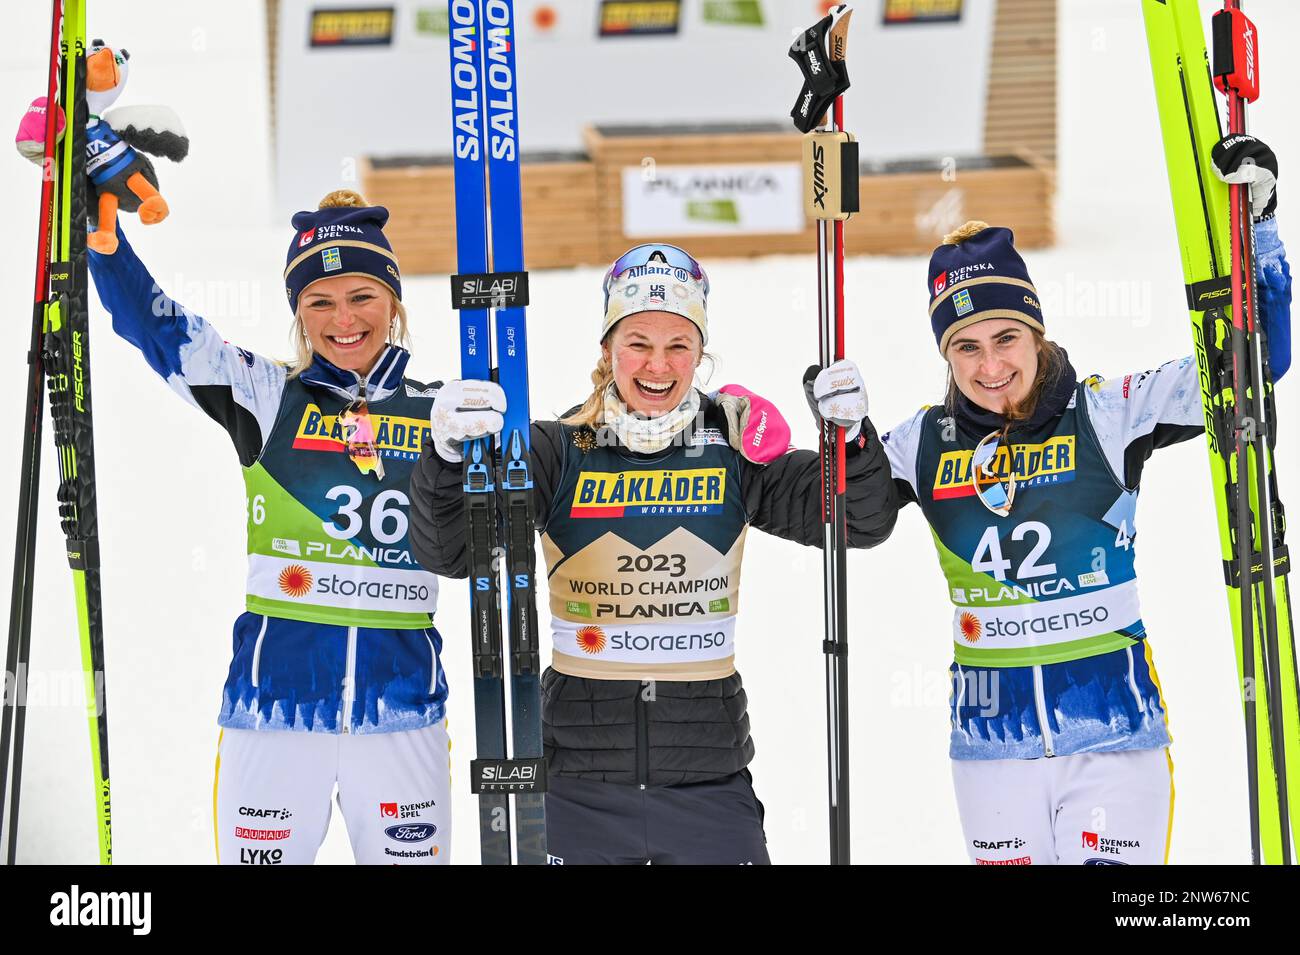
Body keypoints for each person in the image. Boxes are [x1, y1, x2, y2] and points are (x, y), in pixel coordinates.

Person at [409, 243, 898, 864]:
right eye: (638, 342)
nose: (657, 365)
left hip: (709, 785)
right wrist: (449, 458)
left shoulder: (735, 448)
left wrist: (850, 440)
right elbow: (454, 553)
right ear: (608, 348)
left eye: (678, 345)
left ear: (700, 352)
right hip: (576, 786)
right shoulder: (559, 450)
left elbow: (858, 521)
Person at [876, 139, 1291, 865]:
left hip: (1112, 740)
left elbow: (1255, 365)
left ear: (1036, 332)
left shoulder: (1109, 413)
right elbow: (828, 506)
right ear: (945, 354)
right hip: (990, 751)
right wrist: (830, 431)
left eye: (1006, 337)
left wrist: (1255, 236)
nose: (991, 364)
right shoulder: (921, 443)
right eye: (966, 347)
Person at [87, 190, 452, 865]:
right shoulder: (265, 394)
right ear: (298, 313)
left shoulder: (439, 412)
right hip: (275, 713)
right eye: (319, 301)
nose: (343, 320)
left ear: (394, 301)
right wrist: (106, 248)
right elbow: (158, 325)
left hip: (401, 716)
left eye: (362, 296)